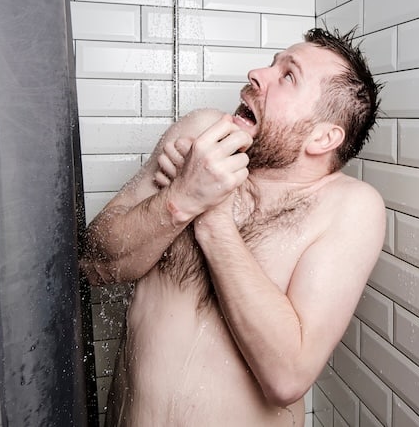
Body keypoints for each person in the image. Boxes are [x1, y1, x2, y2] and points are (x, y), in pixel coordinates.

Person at [80, 27, 386, 426]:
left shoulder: (349, 208)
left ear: (323, 137)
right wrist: (180, 200)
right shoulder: (202, 133)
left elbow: (286, 377)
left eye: (288, 75)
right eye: (273, 63)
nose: (257, 73)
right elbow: (93, 264)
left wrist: (212, 217)